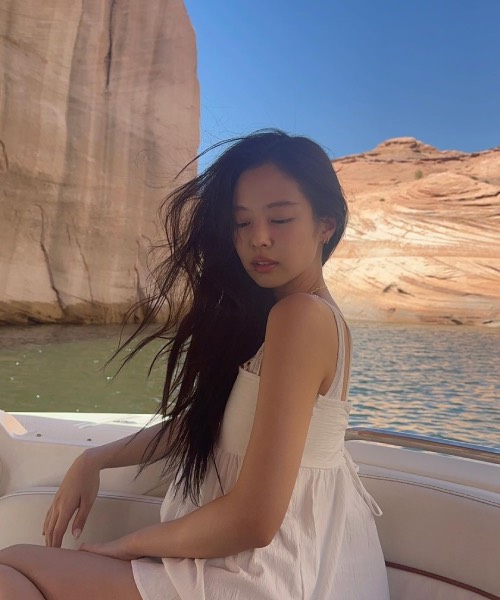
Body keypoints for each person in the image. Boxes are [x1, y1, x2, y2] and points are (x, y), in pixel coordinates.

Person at [0, 130, 390, 599]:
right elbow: (212, 425)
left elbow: (254, 521)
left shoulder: (300, 316)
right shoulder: (296, 315)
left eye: (280, 219)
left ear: (325, 225)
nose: (258, 239)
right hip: (282, 562)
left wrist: (128, 546)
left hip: (264, 575)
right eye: (241, 222)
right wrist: (95, 458)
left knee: (11, 566)